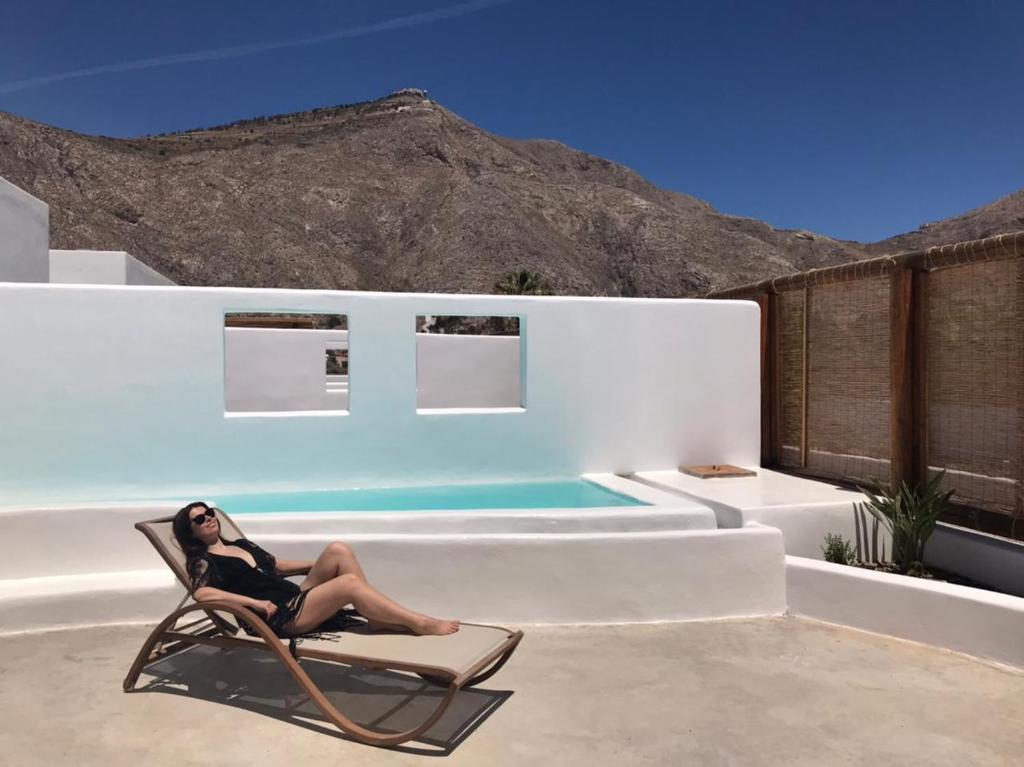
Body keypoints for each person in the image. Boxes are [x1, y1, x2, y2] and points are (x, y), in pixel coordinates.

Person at [172, 501, 459, 638]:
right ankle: (419, 622)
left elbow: (276, 566)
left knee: (337, 549)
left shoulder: (240, 544)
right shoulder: (204, 560)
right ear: (191, 532)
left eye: (209, 513)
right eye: (200, 519)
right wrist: (254, 603)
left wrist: (317, 565)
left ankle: (375, 617)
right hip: (277, 616)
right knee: (348, 583)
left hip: (294, 597)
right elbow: (202, 594)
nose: (208, 519)